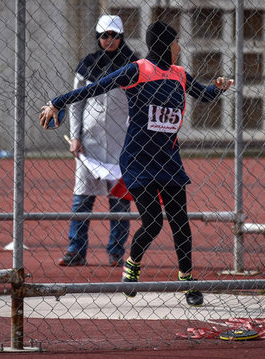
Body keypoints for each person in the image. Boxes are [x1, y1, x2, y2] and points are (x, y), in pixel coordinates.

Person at [40, 20, 234, 306]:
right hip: (138, 160)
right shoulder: (138, 69)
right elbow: (95, 88)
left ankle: (188, 282)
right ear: (166, 45)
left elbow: (203, 95)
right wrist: (58, 102)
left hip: (168, 159)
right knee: (153, 222)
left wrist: (218, 88)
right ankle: (132, 264)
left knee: (181, 224)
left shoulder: (179, 74)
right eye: (176, 42)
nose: (179, 47)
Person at [58, 15, 138, 268]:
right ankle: (76, 250)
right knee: (82, 198)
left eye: (114, 35)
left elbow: (140, 103)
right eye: (105, 35)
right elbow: (76, 103)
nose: (109, 40)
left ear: (121, 37)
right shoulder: (87, 65)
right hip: (89, 144)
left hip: (121, 145)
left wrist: (136, 140)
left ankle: (116, 252)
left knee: (120, 201)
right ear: (98, 37)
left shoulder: (134, 65)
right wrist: (75, 137)